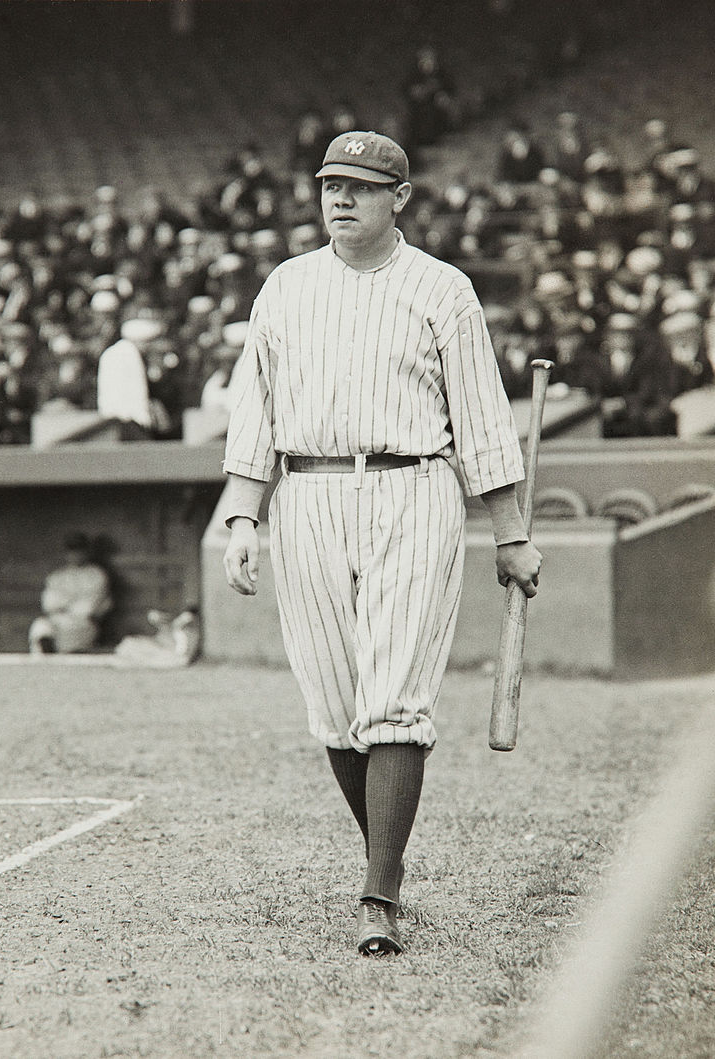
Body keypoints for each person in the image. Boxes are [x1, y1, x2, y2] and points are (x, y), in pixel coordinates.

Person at [221, 131, 542, 956]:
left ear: (399, 198)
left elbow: (481, 418)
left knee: (394, 695)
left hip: (412, 487)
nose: (341, 198)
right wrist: (243, 517)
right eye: (332, 184)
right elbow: (253, 414)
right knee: (335, 705)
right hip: (308, 492)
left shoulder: (442, 288)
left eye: (361, 186)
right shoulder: (286, 286)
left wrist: (509, 532)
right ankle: (387, 856)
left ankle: (378, 897)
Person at [28, 532, 112, 654]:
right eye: (71, 550)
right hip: (58, 620)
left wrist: (64, 602)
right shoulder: (58, 576)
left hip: (83, 624)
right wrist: (72, 601)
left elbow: (89, 607)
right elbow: (49, 604)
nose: (75, 554)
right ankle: (45, 657)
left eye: (79, 550)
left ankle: (54, 657)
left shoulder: (96, 575)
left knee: (64, 638)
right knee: (40, 627)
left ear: (86, 552)